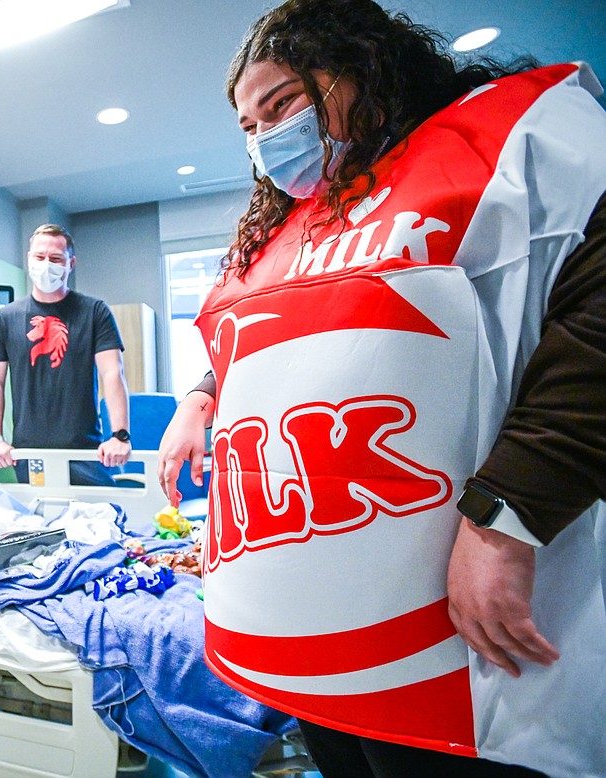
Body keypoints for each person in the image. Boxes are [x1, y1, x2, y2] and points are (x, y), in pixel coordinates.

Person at [156, 1, 606, 776]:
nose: (266, 137)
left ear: (362, 67)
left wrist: (511, 513)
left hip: (453, 628)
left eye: (283, 103)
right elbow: (303, 323)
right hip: (313, 647)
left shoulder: (500, 144)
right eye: (247, 124)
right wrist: (204, 391)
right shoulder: (299, 222)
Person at [0, 223, 132, 487]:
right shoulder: (6, 318)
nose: (46, 265)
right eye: (40, 257)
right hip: (28, 454)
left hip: (85, 450)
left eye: (55, 259)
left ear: (70, 263)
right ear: (29, 259)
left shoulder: (94, 312)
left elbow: (112, 372)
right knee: (42, 525)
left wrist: (119, 435)